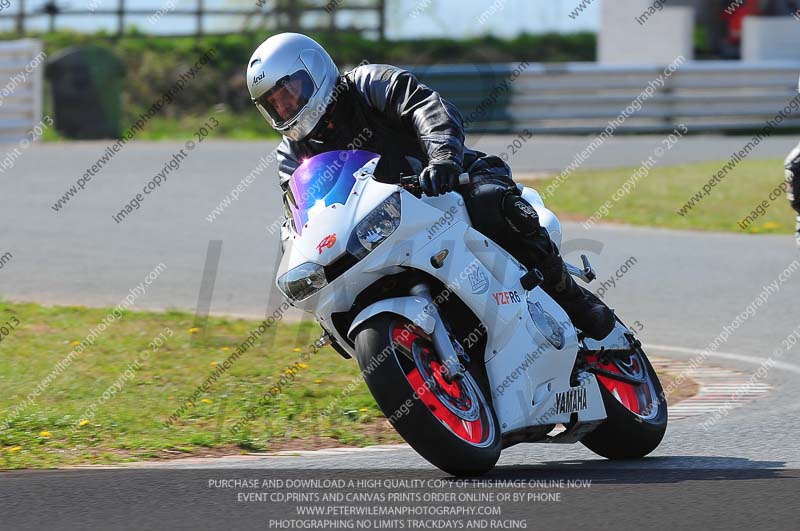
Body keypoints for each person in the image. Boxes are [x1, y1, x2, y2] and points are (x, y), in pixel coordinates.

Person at [246, 33, 615, 340]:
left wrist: (441, 160)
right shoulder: (290, 154)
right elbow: (301, 212)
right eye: (274, 104)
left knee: (493, 204)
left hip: (446, 186)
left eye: (289, 91)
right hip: (382, 230)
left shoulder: (367, 83)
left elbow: (427, 108)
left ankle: (568, 295)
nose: (286, 106)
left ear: (314, 71)